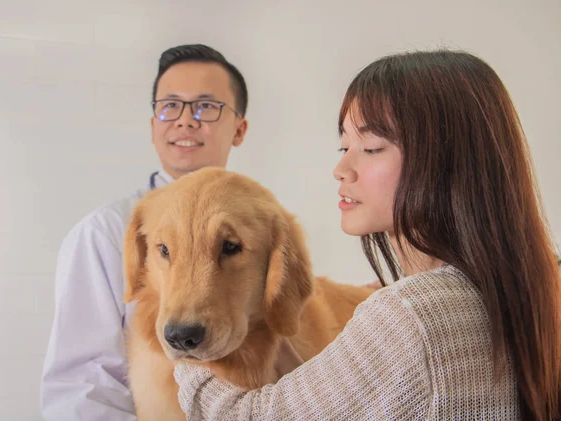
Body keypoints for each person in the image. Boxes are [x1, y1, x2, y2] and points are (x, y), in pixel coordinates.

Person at [173, 50, 561, 420]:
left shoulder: (410, 316)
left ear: (444, 162)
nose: (342, 167)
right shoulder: (530, 290)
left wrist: (184, 344)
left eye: (372, 147)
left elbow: (251, 417)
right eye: (344, 144)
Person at [40, 44, 249, 420]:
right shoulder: (105, 233)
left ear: (239, 128)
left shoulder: (257, 229)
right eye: (170, 106)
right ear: (154, 126)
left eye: (206, 106)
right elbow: (82, 390)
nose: (185, 120)